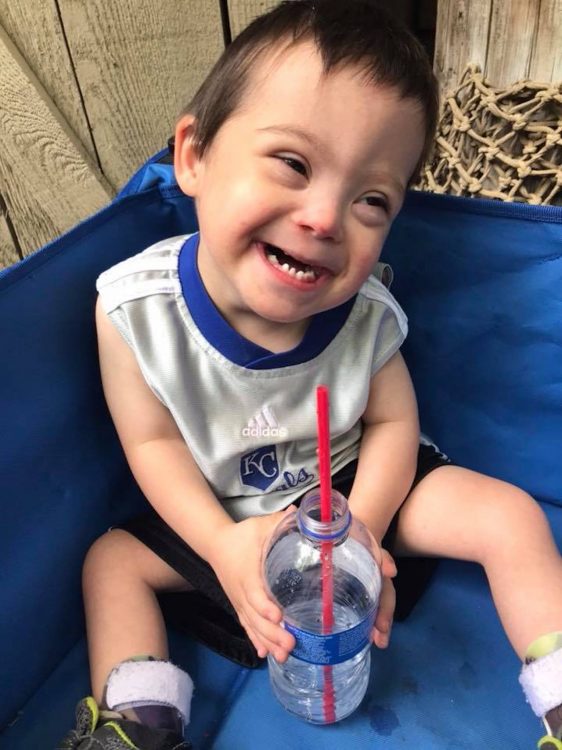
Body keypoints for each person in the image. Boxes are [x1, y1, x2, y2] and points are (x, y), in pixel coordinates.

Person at [60, 2, 562, 749]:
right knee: (110, 564)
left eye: (372, 200)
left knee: (510, 514)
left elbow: (394, 424)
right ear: (193, 155)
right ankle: (139, 721)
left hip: (354, 491)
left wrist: (367, 525)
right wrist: (224, 546)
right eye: (293, 163)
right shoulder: (131, 313)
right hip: (226, 513)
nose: (326, 216)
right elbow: (152, 445)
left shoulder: (366, 314)